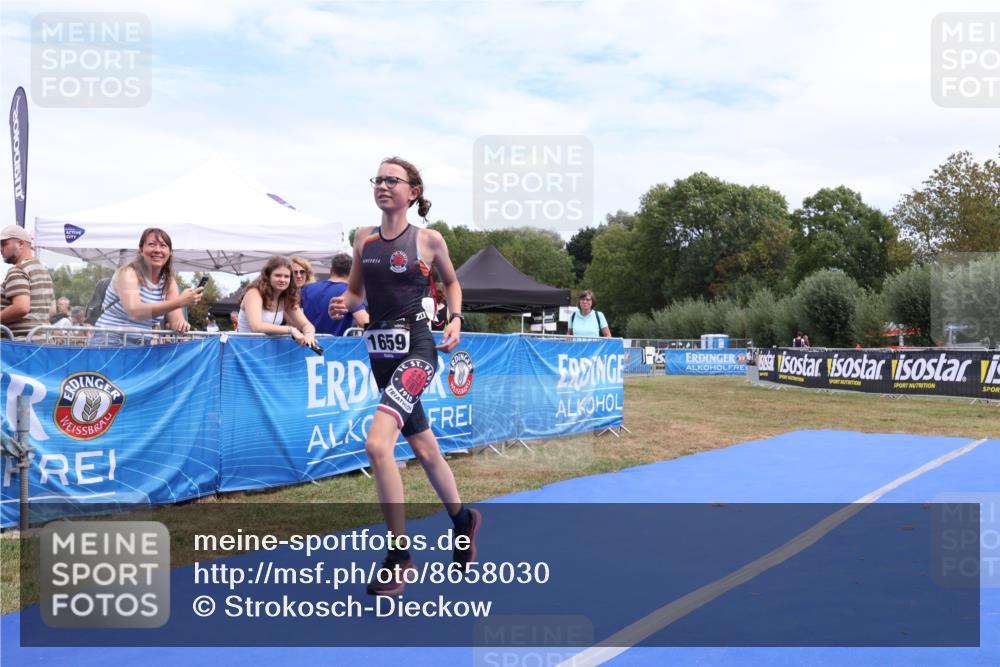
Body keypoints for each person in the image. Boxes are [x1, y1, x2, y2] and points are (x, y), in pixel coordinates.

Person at [329, 156, 480, 596]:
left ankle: (399, 555)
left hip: (417, 351)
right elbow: (355, 292)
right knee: (426, 449)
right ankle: (464, 521)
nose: (383, 185)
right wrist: (348, 306)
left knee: (378, 444)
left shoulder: (428, 240)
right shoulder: (363, 239)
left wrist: (454, 319)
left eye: (392, 180)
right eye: (378, 178)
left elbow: (452, 284)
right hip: (380, 353)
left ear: (413, 191)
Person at [93, 228, 202, 343]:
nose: (157, 250)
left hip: (141, 345)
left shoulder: (168, 282)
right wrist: (180, 301)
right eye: (152, 244)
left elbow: (176, 321)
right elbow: (135, 312)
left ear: (170, 253)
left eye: (163, 246)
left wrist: (181, 325)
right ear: (141, 250)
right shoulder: (128, 273)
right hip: (109, 342)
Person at [236, 255, 317, 350]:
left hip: (267, 352)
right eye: (278, 275)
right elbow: (256, 326)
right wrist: (291, 330)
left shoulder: (286, 297)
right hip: (245, 350)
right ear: (268, 276)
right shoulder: (254, 293)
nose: (282, 280)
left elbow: (307, 325)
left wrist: (309, 334)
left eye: (286, 276)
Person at [1, 225, 55, 339]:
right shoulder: (44, 272)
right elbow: (52, 310)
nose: (1, 249)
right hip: (42, 342)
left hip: (19, 345)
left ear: (21, 244)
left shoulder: (18, 270)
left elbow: (21, 307)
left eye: (4, 244)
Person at [301, 253, 369, 336]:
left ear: (331, 270)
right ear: (352, 272)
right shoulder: (351, 293)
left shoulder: (307, 289)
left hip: (309, 343)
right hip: (336, 345)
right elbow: (363, 321)